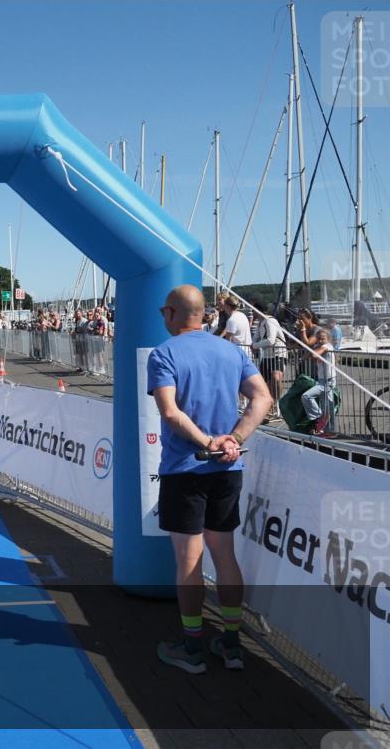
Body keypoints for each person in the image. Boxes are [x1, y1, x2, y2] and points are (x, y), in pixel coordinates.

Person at [147, 285, 271, 674]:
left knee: (189, 561)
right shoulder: (231, 350)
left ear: (170, 313)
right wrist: (232, 440)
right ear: (204, 315)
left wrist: (209, 443)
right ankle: (232, 644)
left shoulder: (164, 353)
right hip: (226, 470)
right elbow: (262, 398)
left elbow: (170, 413)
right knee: (225, 555)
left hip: (188, 468)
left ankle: (193, 647)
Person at [249, 301, 286, 420]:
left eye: (253, 311)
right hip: (267, 355)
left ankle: (278, 405)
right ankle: (271, 406)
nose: (252, 313)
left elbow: (271, 340)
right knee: (264, 381)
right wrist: (254, 344)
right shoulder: (260, 323)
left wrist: (255, 346)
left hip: (277, 354)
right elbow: (255, 339)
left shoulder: (270, 321)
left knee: (275, 378)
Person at [301, 329, 336, 436]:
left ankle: (319, 418)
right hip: (322, 379)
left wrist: (315, 348)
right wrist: (312, 348)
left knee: (306, 396)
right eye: (319, 339)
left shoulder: (327, 347)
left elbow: (315, 356)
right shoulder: (319, 347)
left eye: (323, 339)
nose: (320, 341)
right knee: (329, 406)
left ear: (328, 339)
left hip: (328, 381)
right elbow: (304, 358)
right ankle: (330, 430)